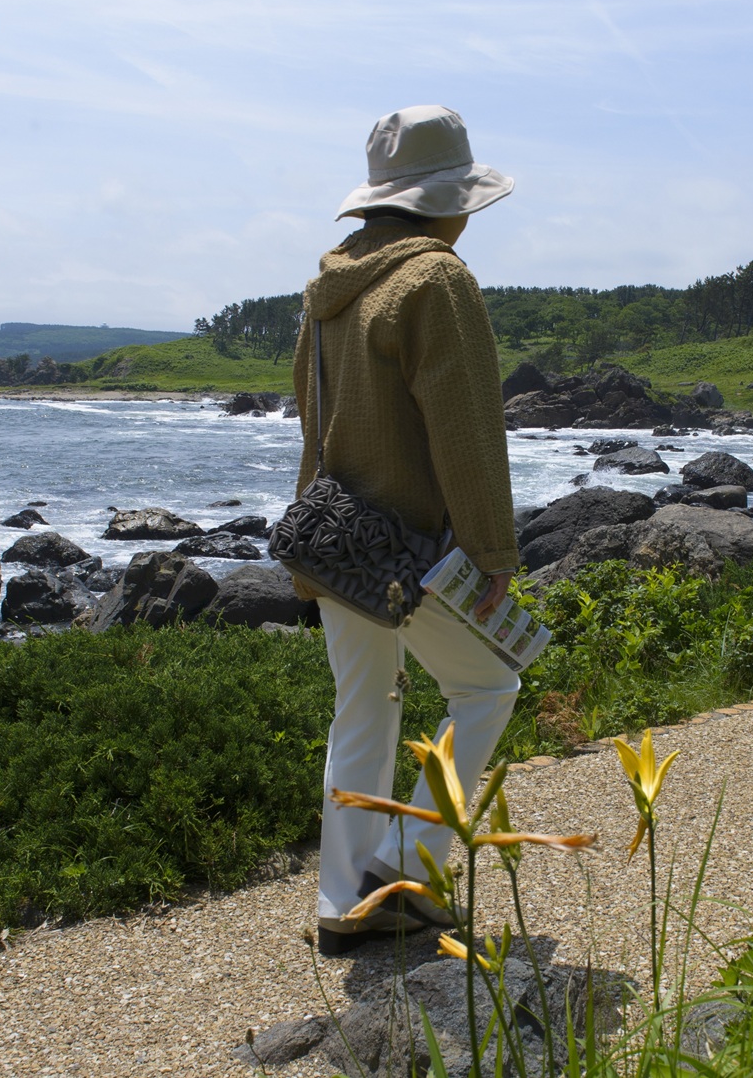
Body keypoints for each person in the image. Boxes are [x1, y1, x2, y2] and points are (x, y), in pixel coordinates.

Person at [296, 106, 521, 954]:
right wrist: (493, 551)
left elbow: (311, 420)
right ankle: (408, 871)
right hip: (416, 546)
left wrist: (305, 557)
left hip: (337, 535)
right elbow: (466, 431)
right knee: (490, 685)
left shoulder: (328, 283)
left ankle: (342, 898)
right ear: (447, 202)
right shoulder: (437, 280)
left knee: (364, 705)